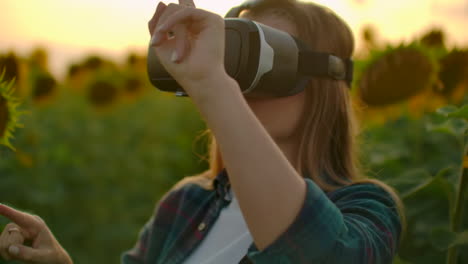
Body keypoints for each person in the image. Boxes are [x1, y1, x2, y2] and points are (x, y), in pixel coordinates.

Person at [0, 0, 405, 263]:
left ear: (324, 81)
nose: (237, 82)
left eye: (265, 57)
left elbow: (325, 255)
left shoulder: (366, 210)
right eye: (231, 56)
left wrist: (213, 86)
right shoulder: (186, 203)